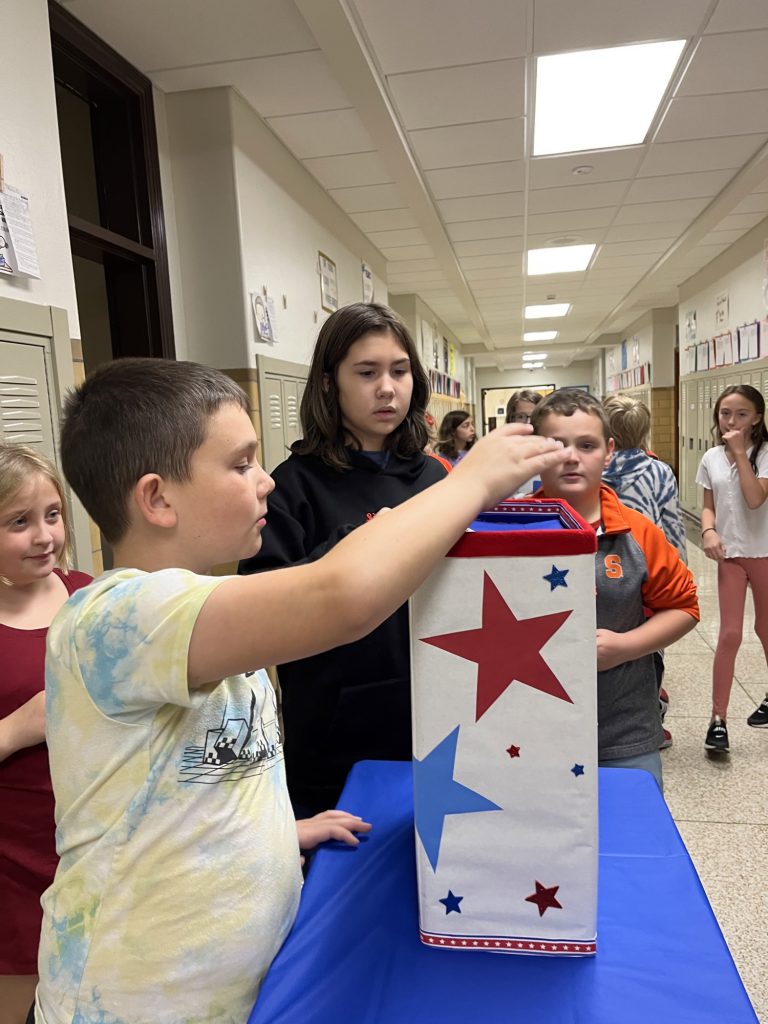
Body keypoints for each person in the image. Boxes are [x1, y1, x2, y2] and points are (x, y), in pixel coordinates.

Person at [37, 356, 571, 1024]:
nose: (265, 482)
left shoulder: (213, 612)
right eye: (240, 465)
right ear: (157, 498)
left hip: (244, 991)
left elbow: (196, 769)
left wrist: (275, 832)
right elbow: (340, 594)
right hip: (135, 1004)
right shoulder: (118, 615)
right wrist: (472, 482)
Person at [239, 302, 454, 815]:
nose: (387, 388)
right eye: (366, 372)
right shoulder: (291, 486)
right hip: (336, 729)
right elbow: (261, 610)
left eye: (399, 371)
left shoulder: (435, 479)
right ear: (329, 383)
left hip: (437, 708)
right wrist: (357, 540)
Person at [531, 390, 699, 790]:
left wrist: (627, 646)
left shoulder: (638, 533)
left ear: (608, 452)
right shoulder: (511, 530)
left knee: (633, 836)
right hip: (533, 732)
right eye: (556, 446)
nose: (571, 457)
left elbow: (684, 607)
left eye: (586, 445)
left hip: (623, 731)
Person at [0, 444, 91, 1024]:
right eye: (19, 522)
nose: (44, 536)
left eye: (53, 515)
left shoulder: (88, 595)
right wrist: (15, 729)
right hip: (11, 859)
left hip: (87, 844)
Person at [602, 393, 687, 751]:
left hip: (603, 573)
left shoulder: (593, 468)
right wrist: (679, 571)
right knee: (648, 648)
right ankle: (651, 715)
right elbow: (673, 528)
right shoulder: (658, 471)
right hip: (648, 571)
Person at [696, 384, 768, 751]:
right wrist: (708, 530)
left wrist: (741, 454)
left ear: (757, 417)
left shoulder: (765, 452)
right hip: (731, 555)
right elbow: (708, 503)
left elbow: (755, 499)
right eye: (726, 413)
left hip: (765, 553)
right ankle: (718, 719)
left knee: (766, 628)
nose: (732, 420)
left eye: (741, 414)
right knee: (729, 635)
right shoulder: (710, 456)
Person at [602, 394, 687, 561]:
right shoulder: (659, 472)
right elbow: (672, 525)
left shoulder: (589, 471)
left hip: (602, 565)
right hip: (647, 559)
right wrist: (681, 568)